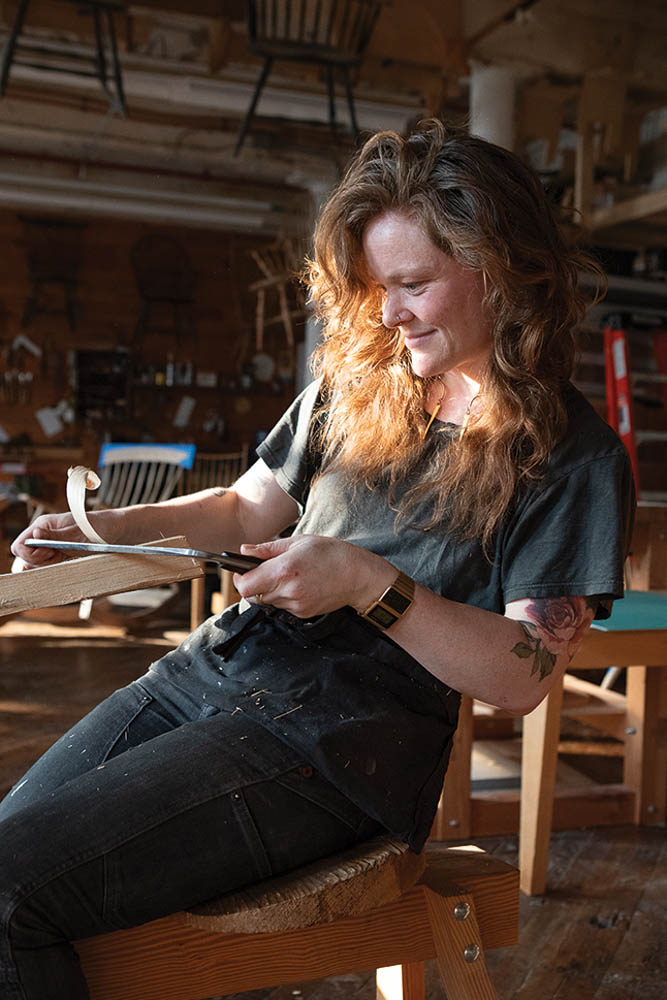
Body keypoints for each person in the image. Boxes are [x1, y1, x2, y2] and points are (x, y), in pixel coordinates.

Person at [1, 120, 634, 999]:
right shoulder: (359, 385)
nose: (388, 312)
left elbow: (521, 677)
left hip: (341, 748)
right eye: (377, 286)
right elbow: (240, 507)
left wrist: (371, 585)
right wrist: (107, 530)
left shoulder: (574, 457)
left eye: (413, 283)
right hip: (215, 672)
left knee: (12, 889)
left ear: (504, 271)